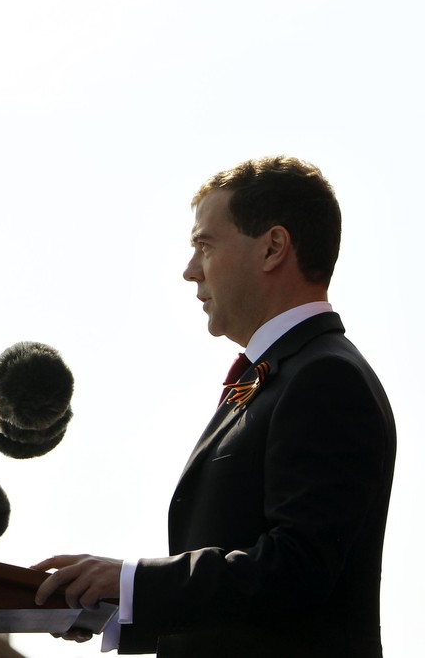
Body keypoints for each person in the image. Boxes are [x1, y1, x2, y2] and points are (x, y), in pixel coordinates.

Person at [32, 156, 396, 657]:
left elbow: (297, 570)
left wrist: (133, 582)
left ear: (272, 247)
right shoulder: (282, 372)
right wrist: (113, 599)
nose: (189, 270)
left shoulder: (323, 377)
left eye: (204, 245)